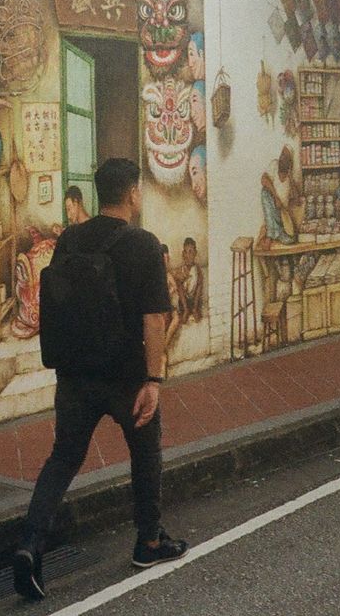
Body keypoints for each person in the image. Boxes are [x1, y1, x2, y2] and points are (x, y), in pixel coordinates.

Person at [13, 158, 188, 600]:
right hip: (127, 376)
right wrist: (154, 379)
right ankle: (149, 540)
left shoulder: (70, 238)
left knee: (63, 458)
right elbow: (154, 320)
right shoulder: (144, 245)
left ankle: (30, 545)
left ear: (97, 193)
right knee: (145, 453)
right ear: (132, 193)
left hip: (75, 374)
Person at [174, 236, 203, 323]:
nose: (188, 255)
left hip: (195, 300)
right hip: (184, 302)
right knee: (179, 282)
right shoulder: (181, 269)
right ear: (183, 254)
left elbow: (199, 287)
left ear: (195, 253)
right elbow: (179, 285)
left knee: (198, 318)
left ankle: (193, 309)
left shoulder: (197, 269)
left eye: (191, 252)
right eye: (186, 252)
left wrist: (195, 306)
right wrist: (183, 277)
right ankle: (186, 310)